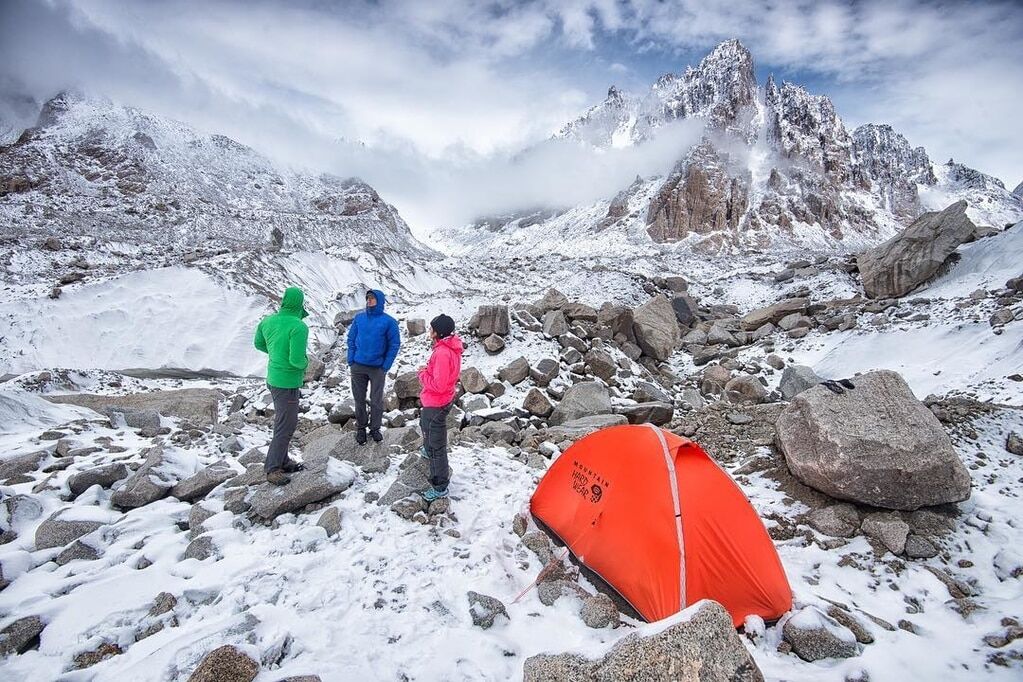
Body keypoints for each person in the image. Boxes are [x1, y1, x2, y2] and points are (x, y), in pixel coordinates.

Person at [254, 286, 310, 486]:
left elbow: (259, 344)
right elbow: (297, 360)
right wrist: (307, 363)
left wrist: (275, 353)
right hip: (288, 382)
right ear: (299, 303)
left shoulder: (267, 321)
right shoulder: (298, 326)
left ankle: (284, 460)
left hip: (273, 379)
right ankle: (273, 468)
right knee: (286, 425)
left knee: (283, 422)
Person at [417, 314, 463, 501]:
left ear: (438, 332)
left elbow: (439, 384)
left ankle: (440, 487)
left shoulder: (442, 353)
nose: (429, 331)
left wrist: (422, 375)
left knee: (437, 447)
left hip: (436, 402)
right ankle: (427, 449)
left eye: (431, 328)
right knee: (425, 426)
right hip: (437, 401)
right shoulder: (447, 348)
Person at [346, 289, 400, 445]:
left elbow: (394, 344)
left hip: (377, 368)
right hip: (358, 366)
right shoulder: (359, 318)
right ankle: (361, 428)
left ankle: (375, 428)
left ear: (380, 301)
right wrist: (351, 359)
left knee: (376, 400)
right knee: (359, 399)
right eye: (367, 298)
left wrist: (386, 365)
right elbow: (351, 339)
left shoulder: (389, 322)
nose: (369, 301)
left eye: (372, 298)